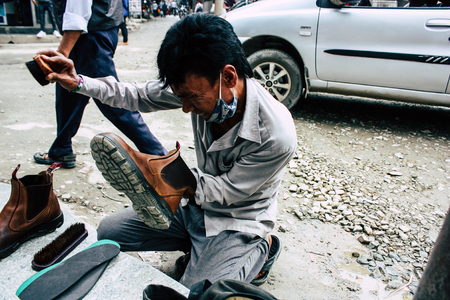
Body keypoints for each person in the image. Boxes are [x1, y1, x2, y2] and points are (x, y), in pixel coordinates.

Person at [36, 13, 297, 289]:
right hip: (194, 208)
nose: (185, 108)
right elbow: (138, 95)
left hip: (238, 222)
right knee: (109, 232)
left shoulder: (276, 135)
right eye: (181, 97)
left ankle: (263, 249)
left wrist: (168, 176)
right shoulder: (196, 84)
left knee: (200, 293)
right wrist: (78, 82)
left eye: (191, 99)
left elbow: (227, 192)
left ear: (229, 76)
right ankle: (197, 247)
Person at [33, 0, 166, 169]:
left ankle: (160, 158)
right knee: (68, 89)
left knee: (114, 98)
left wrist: (63, 51)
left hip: (89, 34)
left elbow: (78, 8)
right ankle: (61, 148)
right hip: (99, 28)